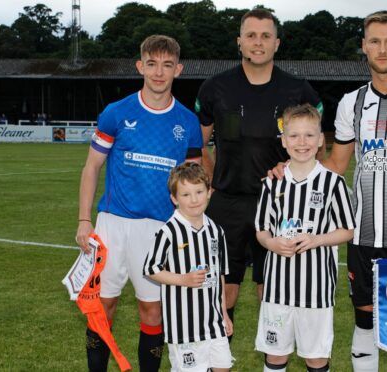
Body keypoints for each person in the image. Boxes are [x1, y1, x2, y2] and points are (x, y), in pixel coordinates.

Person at [270, 10, 387, 372]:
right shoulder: (352, 103)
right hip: (363, 235)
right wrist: (287, 171)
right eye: (374, 41)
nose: (382, 49)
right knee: (364, 322)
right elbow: (335, 166)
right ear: (363, 47)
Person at [75, 35, 203, 372]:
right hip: (113, 225)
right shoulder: (117, 113)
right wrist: (84, 221)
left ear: (179, 68)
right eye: (151, 64)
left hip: (161, 231)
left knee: (153, 311)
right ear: (139, 66)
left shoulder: (188, 122)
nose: (159, 73)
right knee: (103, 307)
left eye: (166, 65)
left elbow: (194, 180)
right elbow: (91, 167)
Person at [194, 7, 323, 334]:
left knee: (274, 290)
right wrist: (211, 180)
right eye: (251, 35)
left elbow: (317, 142)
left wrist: (292, 165)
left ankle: (274, 361)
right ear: (239, 41)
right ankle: (218, 362)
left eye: (266, 35)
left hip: (279, 204)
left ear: (277, 43)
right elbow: (198, 144)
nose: (258, 42)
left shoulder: (298, 90)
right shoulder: (215, 87)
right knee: (223, 289)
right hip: (228, 203)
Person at [255, 104, 355, 372]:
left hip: (317, 290)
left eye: (309, 135)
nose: (302, 142)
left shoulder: (333, 183)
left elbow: (348, 230)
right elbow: (262, 230)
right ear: (284, 141)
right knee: (275, 356)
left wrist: (317, 239)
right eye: (295, 136)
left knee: (316, 358)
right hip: (277, 289)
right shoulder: (271, 184)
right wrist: (272, 243)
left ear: (321, 140)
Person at [143, 163, 233, 372]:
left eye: (199, 192)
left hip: (214, 323)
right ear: (174, 198)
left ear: (209, 192)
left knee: (223, 368)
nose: (194, 200)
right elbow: (151, 268)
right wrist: (183, 279)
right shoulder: (168, 232)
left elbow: (218, 274)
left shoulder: (216, 231)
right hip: (184, 326)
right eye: (185, 194)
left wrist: (224, 313)